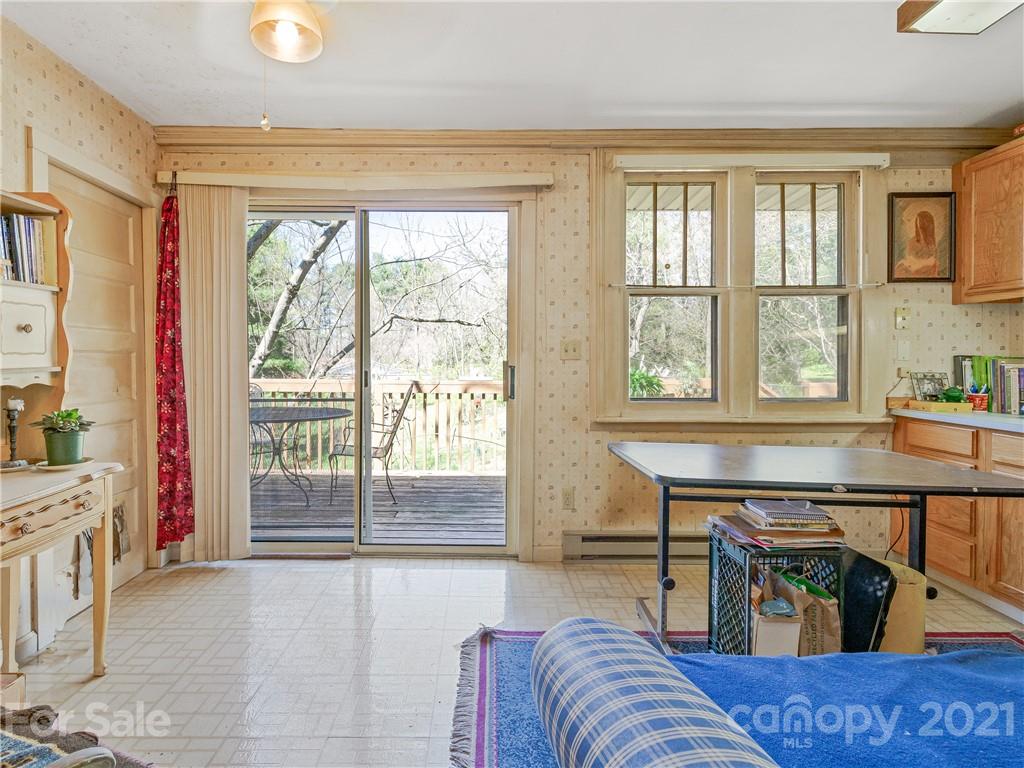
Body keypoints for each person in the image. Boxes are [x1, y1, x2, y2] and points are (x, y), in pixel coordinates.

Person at [894, 209, 940, 278]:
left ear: (926, 225)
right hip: (914, 264)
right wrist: (911, 261)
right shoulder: (913, 240)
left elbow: (931, 258)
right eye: (917, 223)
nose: (918, 226)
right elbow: (909, 256)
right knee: (899, 267)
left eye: (921, 224)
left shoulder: (931, 242)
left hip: (925, 265)